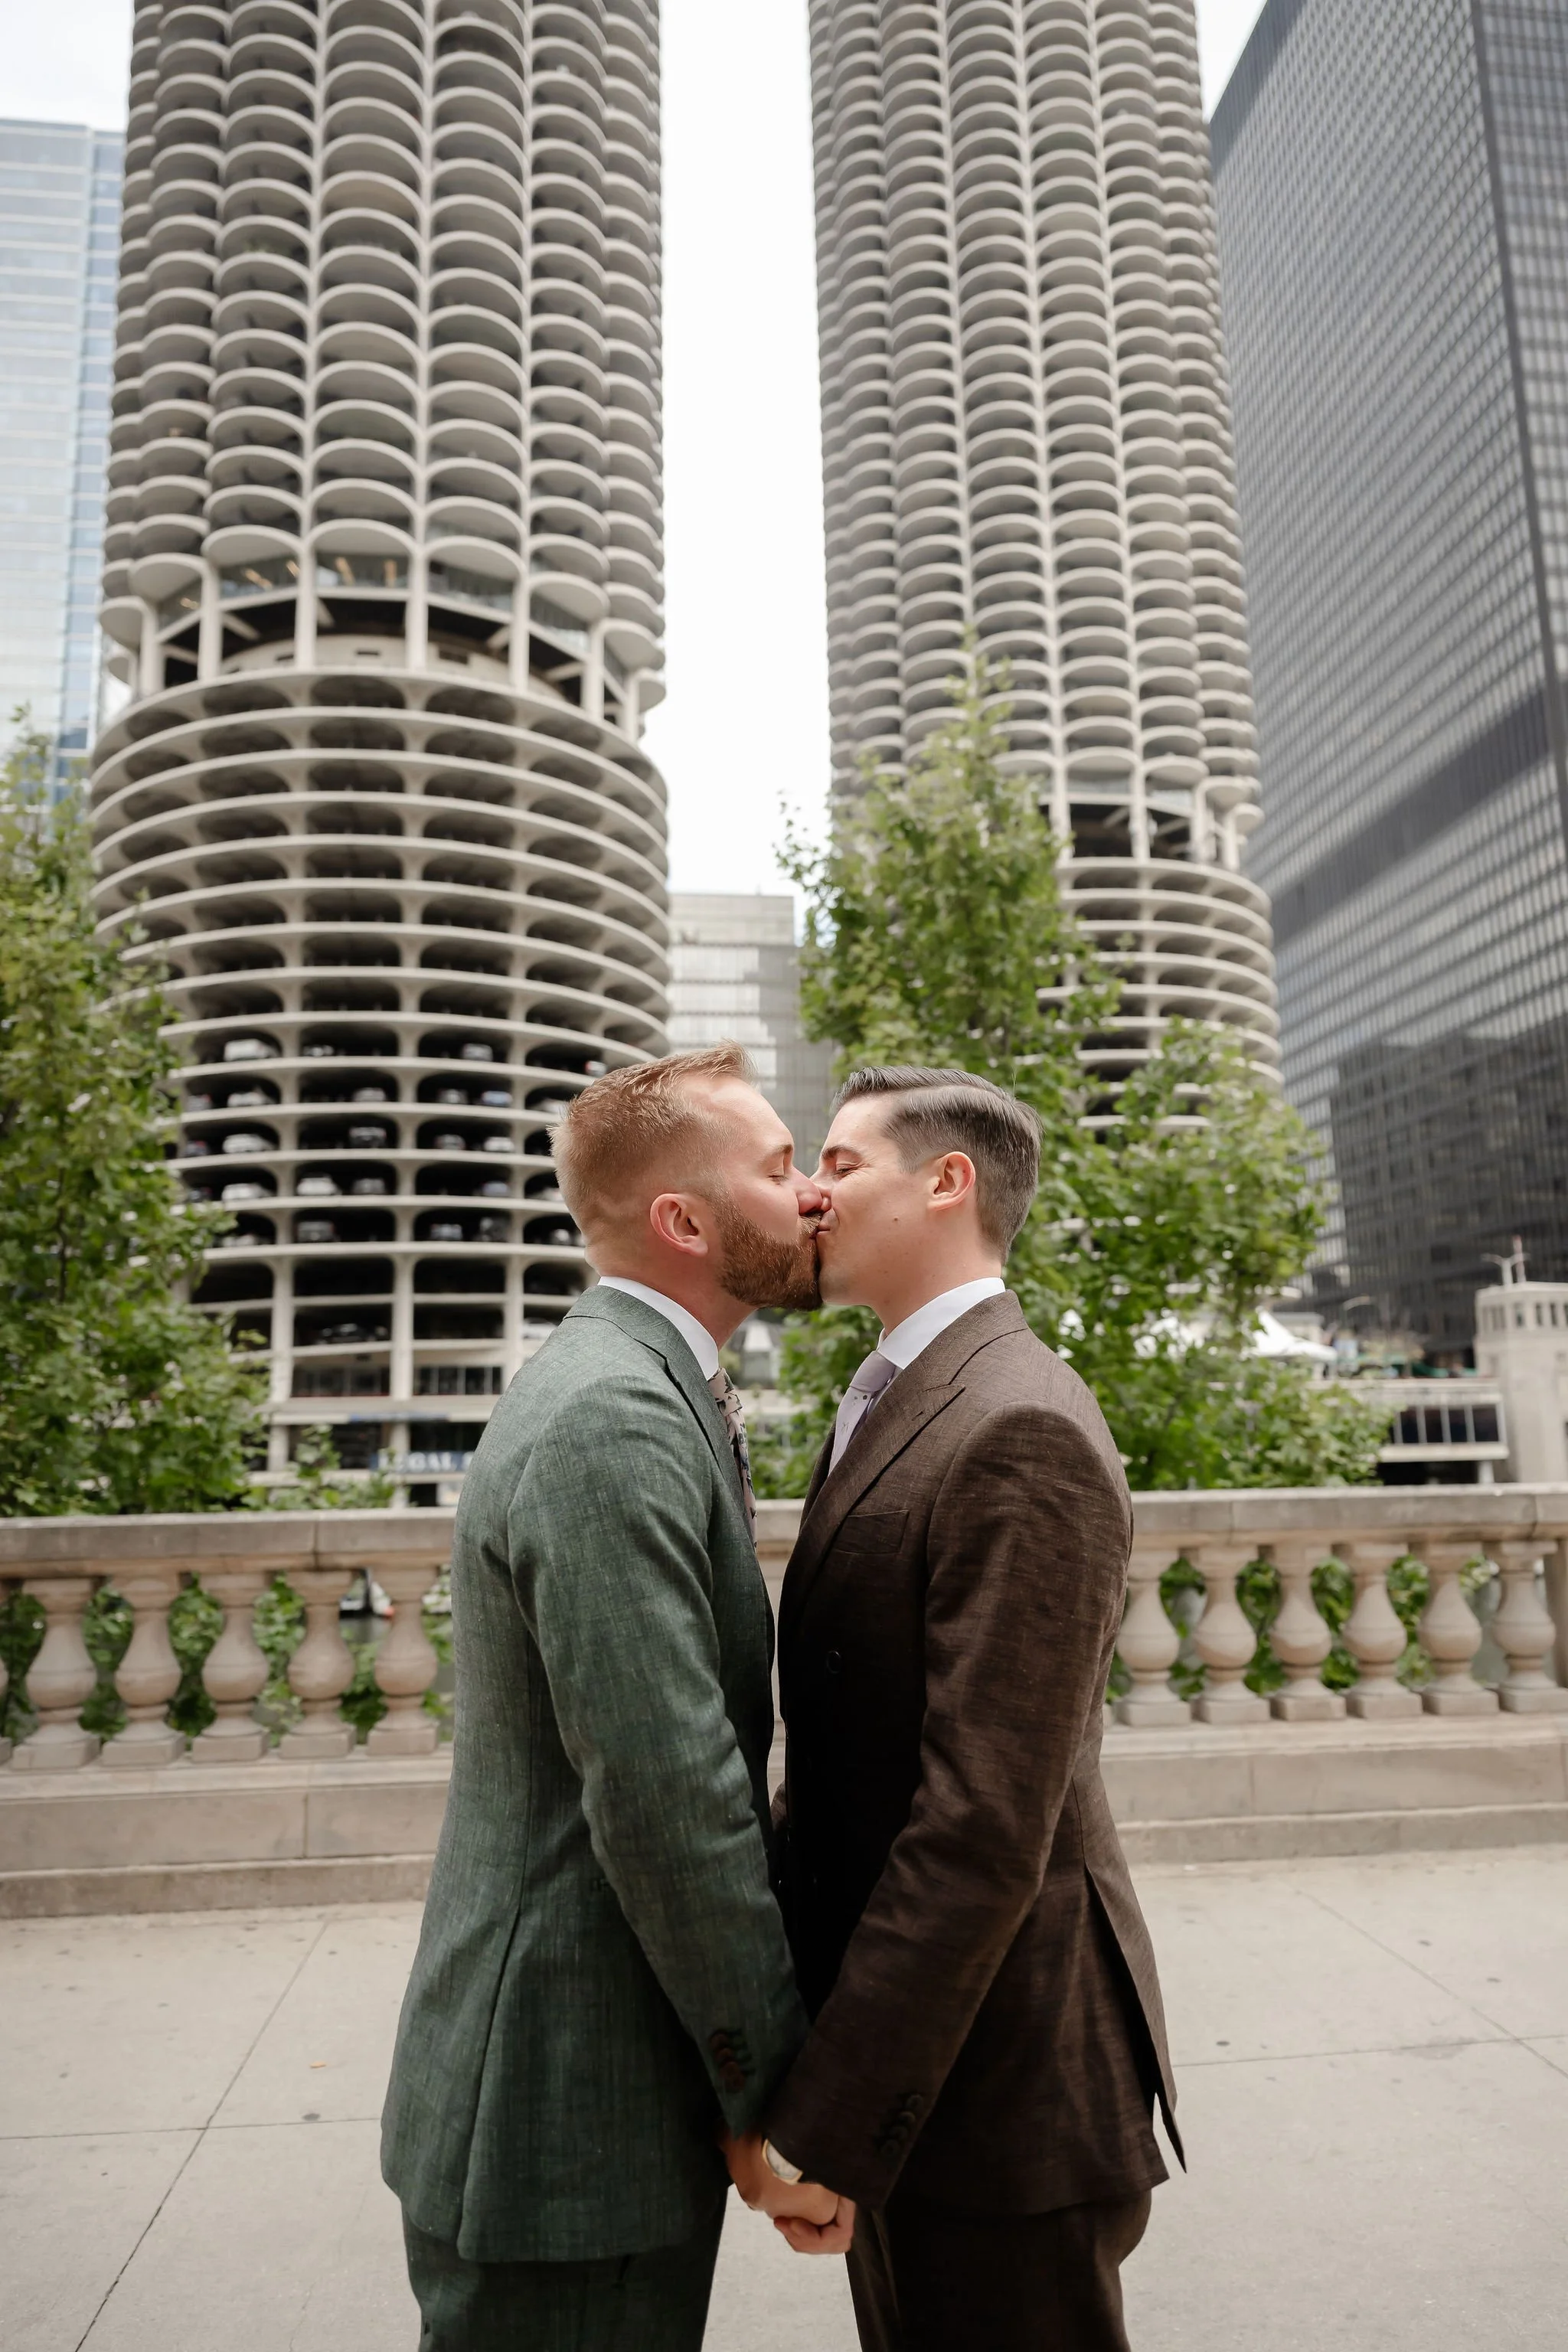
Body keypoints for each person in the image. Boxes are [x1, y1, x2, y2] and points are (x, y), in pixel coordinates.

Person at [382, 1043, 851, 2351]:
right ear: (684, 1222)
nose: (813, 1190)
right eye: (779, 1166)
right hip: (563, 2115)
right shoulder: (611, 1420)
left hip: (595, 2098)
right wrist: (773, 2100)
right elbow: (668, 1794)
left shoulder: (645, 1385)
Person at [727, 1065, 1181, 2350]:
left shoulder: (1018, 1422)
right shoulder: (897, 1394)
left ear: (948, 1182)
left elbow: (982, 1826)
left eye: (841, 1162)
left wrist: (831, 2117)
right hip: (933, 2077)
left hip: (1002, 2097)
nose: (810, 1193)